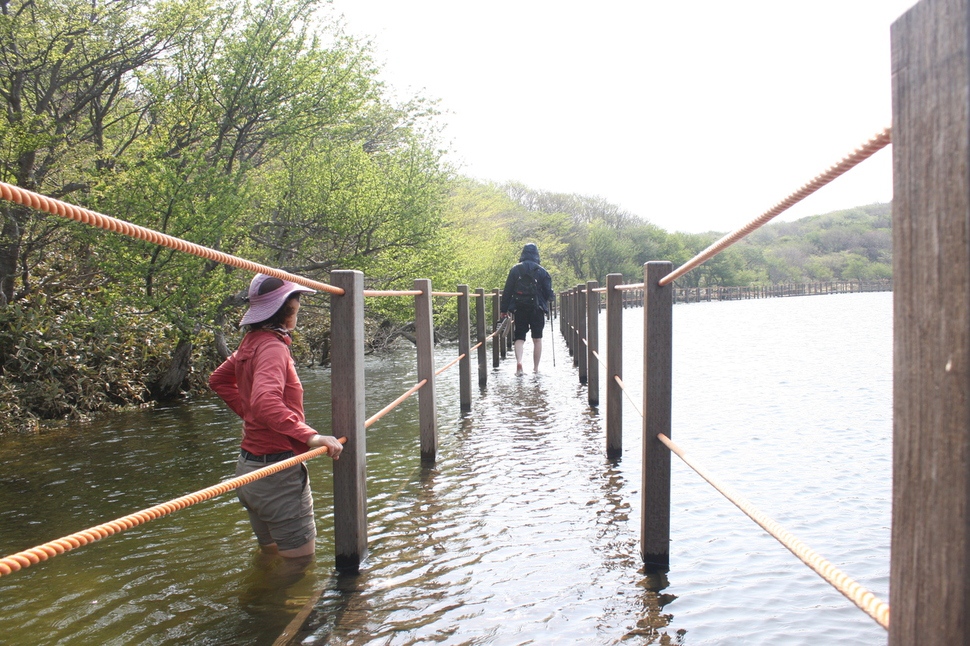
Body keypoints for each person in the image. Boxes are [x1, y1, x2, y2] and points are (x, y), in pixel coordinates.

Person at [209, 273, 343, 561]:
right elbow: (265, 401)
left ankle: (261, 604)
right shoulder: (272, 347)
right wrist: (311, 436)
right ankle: (275, 608)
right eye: (297, 303)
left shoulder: (252, 341)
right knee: (299, 566)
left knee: (271, 558)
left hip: (249, 471)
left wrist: (251, 413)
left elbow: (218, 380)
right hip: (276, 476)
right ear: (288, 309)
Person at [500, 243, 555, 374]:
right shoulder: (542, 271)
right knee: (537, 338)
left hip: (520, 308)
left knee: (519, 337)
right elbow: (549, 293)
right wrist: (551, 297)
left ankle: (519, 362)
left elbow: (507, 291)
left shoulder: (515, 270)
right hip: (537, 308)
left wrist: (503, 310)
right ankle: (536, 369)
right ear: (536, 254)